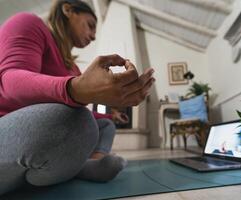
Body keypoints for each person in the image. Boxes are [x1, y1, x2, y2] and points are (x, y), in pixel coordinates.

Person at [0, 0, 155, 196]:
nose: (93, 35)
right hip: (7, 130)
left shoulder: (73, 69)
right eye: (90, 25)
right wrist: (73, 88)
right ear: (68, 10)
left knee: (105, 125)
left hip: (39, 140)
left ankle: (90, 163)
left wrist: (111, 115)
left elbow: (78, 106)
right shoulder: (29, 23)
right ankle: (77, 168)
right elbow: (10, 81)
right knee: (79, 123)